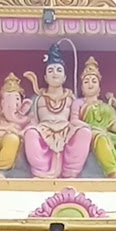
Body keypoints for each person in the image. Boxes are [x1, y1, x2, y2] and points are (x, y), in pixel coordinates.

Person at [21, 43, 92, 178]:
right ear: (46, 77)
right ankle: (41, 170)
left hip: (66, 130)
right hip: (43, 129)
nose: (55, 73)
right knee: (30, 133)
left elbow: (75, 119)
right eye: (51, 70)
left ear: (65, 77)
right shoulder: (38, 99)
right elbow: (33, 119)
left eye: (59, 70)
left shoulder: (71, 98)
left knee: (84, 133)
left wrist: (83, 126)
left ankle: (71, 170)